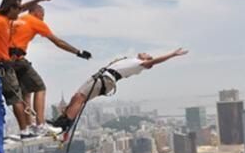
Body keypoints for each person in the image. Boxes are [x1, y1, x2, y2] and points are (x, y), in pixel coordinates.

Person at [50, 48, 188, 132]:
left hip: (105, 79)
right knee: (76, 97)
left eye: (147, 54)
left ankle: (63, 125)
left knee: (80, 98)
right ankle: (60, 121)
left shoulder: (140, 64)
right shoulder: (133, 61)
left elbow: (154, 62)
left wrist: (172, 54)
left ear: (146, 60)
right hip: (102, 77)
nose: (145, 53)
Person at [9, 3, 92, 135]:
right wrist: (78, 52)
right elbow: (58, 42)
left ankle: (28, 127)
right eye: (43, 15)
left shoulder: (19, 18)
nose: (43, 19)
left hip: (6, 60)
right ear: (36, 12)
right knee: (39, 87)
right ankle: (40, 125)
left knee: (26, 92)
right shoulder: (35, 21)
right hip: (18, 60)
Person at [0, 0, 54, 139]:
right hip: (2, 65)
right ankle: (25, 130)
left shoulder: (7, 20)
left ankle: (29, 127)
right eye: (17, 8)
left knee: (22, 95)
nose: (20, 11)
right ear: (9, 8)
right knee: (16, 98)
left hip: (7, 64)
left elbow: (23, 8)